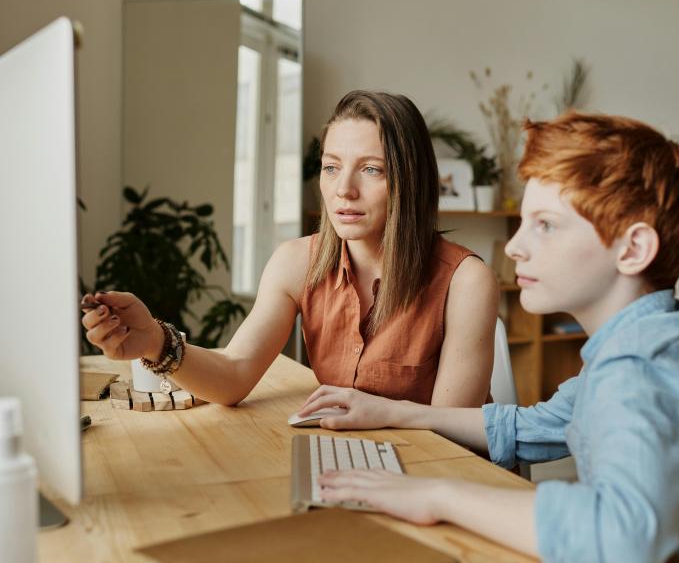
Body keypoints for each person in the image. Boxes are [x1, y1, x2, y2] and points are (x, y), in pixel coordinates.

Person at [302, 112, 679, 563]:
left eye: (545, 225)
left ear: (632, 249)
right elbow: (537, 426)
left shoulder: (639, 368)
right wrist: (395, 411)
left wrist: (440, 497)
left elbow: (622, 537)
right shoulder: (659, 337)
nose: (515, 247)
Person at [81, 90, 498, 408]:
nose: (343, 190)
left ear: (412, 181)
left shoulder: (466, 281)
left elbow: (451, 435)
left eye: (372, 169)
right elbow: (234, 374)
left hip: (437, 478)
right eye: (331, 167)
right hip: (352, 463)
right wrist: (155, 341)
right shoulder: (296, 262)